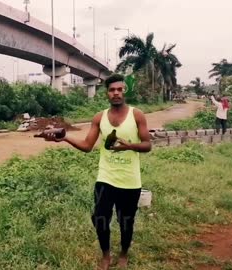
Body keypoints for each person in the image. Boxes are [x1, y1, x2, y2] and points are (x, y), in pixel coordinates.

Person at [40, 74, 151, 270]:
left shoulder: (137, 115)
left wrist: (129, 146)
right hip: (105, 178)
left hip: (129, 180)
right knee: (100, 218)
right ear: (107, 93)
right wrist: (64, 137)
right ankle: (106, 255)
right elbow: (86, 145)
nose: (116, 93)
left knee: (126, 221)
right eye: (112, 90)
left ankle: (124, 254)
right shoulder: (99, 117)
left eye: (120, 89)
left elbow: (147, 145)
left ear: (125, 91)